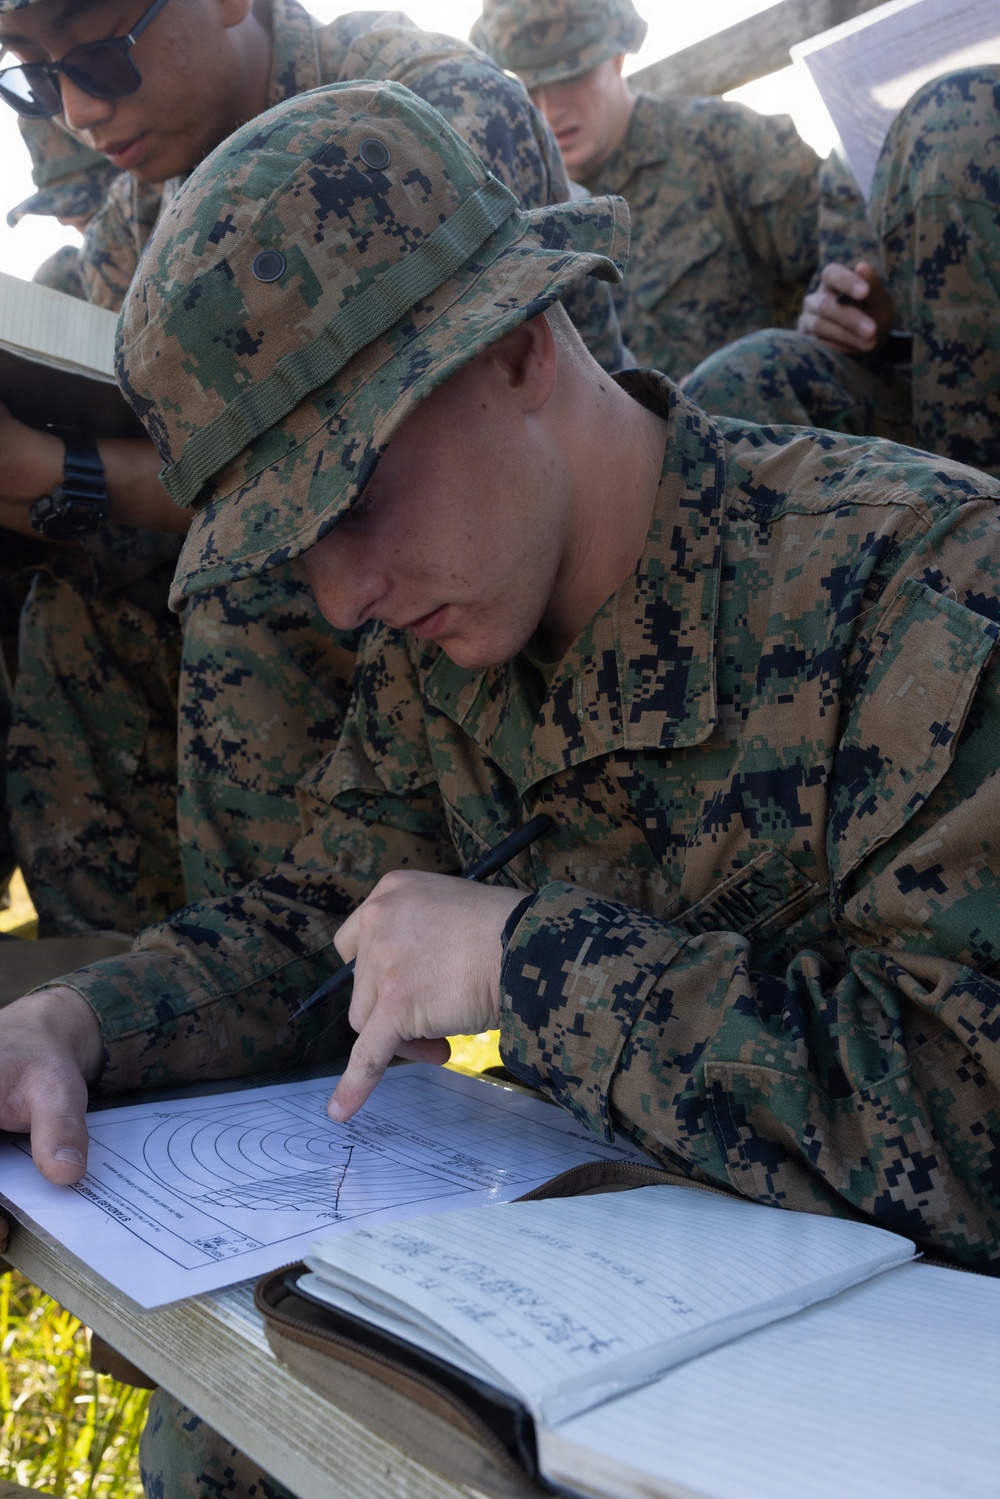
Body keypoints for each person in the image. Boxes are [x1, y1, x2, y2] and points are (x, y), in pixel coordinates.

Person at [4, 78, 1000, 1489]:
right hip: (610, 1341)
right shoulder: (458, 643)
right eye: (291, 549)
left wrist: (535, 966)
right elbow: (314, 918)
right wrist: (76, 1020)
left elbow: (972, 1114)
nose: (340, 599)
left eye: (349, 500)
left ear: (522, 347)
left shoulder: (924, 596)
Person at [0, 0, 627, 932]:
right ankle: (125, 983)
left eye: (99, 56)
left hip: (532, 569)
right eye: (37, 78)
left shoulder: (415, 116)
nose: (79, 111)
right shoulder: (148, 218)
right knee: (69, 598)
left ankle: (279, 974)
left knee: (255, 580)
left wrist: (68, 474)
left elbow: (355, 473)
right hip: (399, 559)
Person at [471, 0, 879, 378]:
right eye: (525, 87)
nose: (548, 108)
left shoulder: (725, 143)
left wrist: (839, 307)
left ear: (618, 55)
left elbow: (850, 267)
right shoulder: (516, 217)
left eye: (571, 74)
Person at [684, 66, 1000, 479]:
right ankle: (968, 524)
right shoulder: (864, 144)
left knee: (958, 112)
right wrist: (855, 317)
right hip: (943, 426)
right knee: (744, 374)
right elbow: (849, 294)